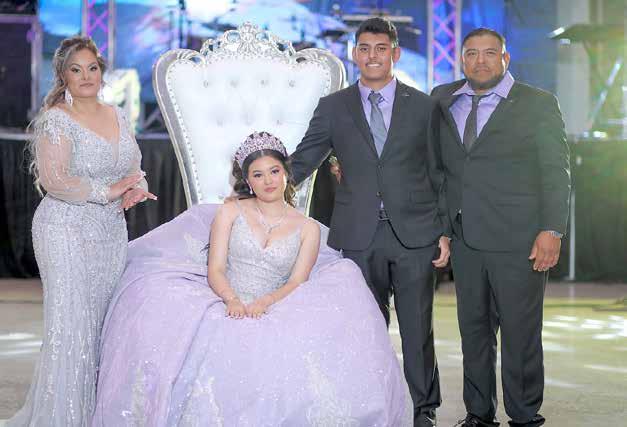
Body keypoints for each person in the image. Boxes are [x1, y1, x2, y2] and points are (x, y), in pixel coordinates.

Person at [92, 131, 413, 425]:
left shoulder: (308, 228)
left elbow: (296, 281)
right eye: (258, 175)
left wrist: (266, 302)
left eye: (274, 171)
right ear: (247, 180)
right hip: (225, 297)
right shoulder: (231, 211)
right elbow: (216, 268)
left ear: (286, 173)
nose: (268, 181)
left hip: (276, 303)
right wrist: (231, 299)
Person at [289, 17, 449, 426]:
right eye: (364, 48)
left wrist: (444, 231)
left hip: (414, 234)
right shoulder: (333, 107)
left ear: (395, 53)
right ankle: (371, 405)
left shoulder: (424, 106)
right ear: (354, 53)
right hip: (358, 235)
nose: (372, 56)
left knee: (418, 329)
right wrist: (256, 183)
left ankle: (423, 410)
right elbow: (305, 159)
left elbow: (440, 172)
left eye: (381, 48)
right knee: (364, 328)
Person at [7, 36, 155, 427]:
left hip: (110, 232)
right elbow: (55, 180)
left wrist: (135, 187)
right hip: (64, 229)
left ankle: (95, 413)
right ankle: (64, 417)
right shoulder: (56, 119)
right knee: (72, 324)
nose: (86, 76)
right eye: (76, 69)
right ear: (63, 75)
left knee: (101, 326)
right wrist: (108, 192)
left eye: (92, 68)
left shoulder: (116, 114)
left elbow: (133, 166)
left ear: (102, 73)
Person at [430, 28, 571, 427]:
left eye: (490, 53)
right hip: (466, 238)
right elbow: (436, 168)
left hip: (519, 239)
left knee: (520, 333)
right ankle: (479, 414)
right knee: (473, 332)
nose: (481, 61)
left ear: (505, 59)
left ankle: (524, 416)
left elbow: (555, 171)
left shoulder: (538, 103)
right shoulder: (441, 99)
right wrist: (442, 227)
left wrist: (552, 229)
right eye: (472, 53)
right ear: (462, 59)